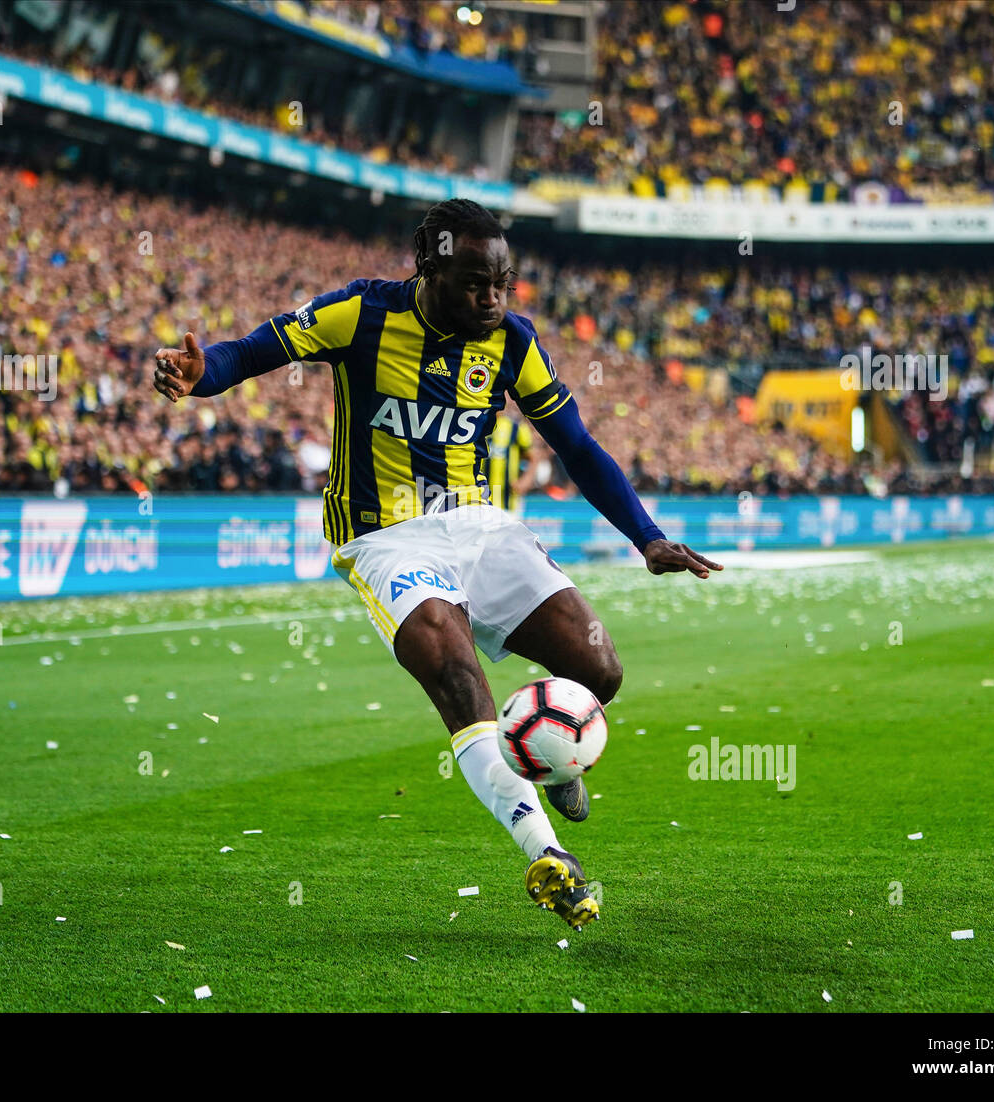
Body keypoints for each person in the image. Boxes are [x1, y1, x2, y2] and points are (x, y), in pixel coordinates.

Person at [153, 199, 722, 929]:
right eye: (475, 284)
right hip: (384, 537)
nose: (492, 300)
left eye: (502, 285)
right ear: (429, 268)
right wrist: (201, 373)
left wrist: (646, 536)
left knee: (600, 670)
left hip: (479, 526)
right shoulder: (360, 314)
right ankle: (549, 855)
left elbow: (577, 447)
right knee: (455, 671)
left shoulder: (513, 342)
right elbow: (249, 352)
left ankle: (556, 760)